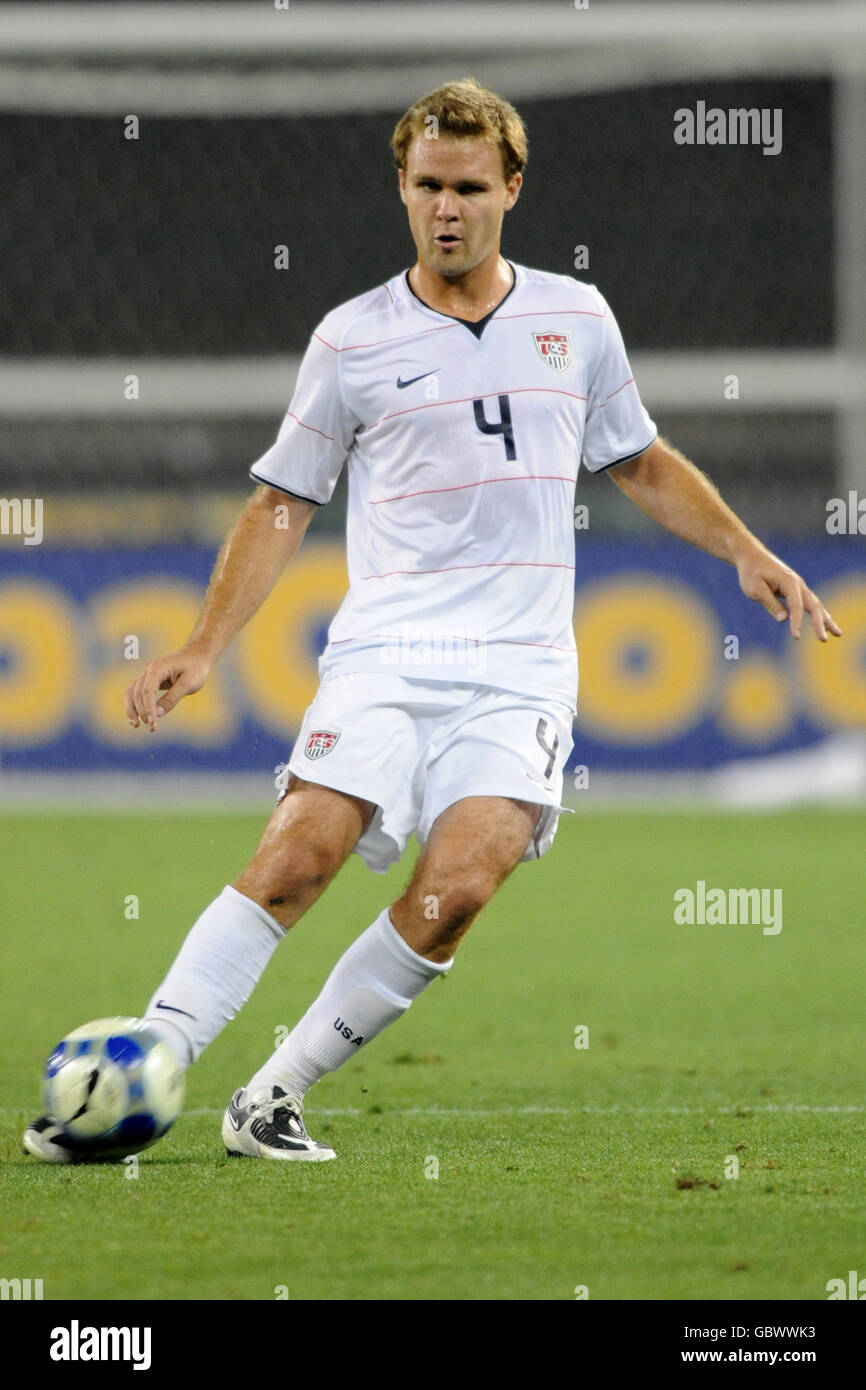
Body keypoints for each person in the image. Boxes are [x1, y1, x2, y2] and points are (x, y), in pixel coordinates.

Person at [24, 77, 840, 1164]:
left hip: (521, 668)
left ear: (511, 187)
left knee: (457, 889)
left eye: (466, 186)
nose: (444, 208)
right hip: (387, 654)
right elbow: (282, 501)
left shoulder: (575, 317)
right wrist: (202, 645)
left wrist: (743, 551)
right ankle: (145, 1060)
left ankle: (273, 1094)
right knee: (298, 856)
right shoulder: (351, 338)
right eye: (424, 187)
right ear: (401, 190)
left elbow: (635, 457)